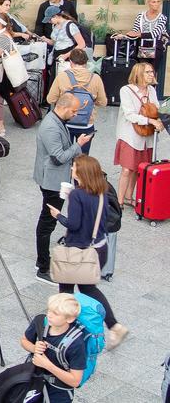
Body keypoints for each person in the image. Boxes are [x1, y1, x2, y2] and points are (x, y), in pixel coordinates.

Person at [47, 155, 129, 349]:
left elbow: (74, 224)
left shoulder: (77, 194)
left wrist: (58, 215)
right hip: (98, 248)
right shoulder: (102, 191)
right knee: (88, 288)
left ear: (81, 172)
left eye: (74, 167)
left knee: (66, 290)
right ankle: (114, 325)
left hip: (78, 251)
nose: (72, 170)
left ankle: (63, 330)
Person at [35, 93, 91, 285]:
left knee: (47, 221)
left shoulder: (56, 118)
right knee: (47, 222)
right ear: (64, 108)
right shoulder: (51, 126)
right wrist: (78, 146)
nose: (75, 114)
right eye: (74, 111)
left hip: (55, 178)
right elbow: (58, 157)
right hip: (52, 180)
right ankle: (43, 266)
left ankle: (41, 261)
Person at [20, 294, 90, 403]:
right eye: (49, 310)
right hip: (33, 380)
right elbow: (24, 340)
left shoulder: (76, 344)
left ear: (70, 318)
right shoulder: (40, 322)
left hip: (58, 392)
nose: (49, 315)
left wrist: (47, 365)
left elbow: (75, 381)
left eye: (55, 313)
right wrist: (34, 348)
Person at [115, 62, 164, 206]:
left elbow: (156, 108)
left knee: (138, 168)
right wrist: (151, 120)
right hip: (130, 135)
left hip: (146, 136)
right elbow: (129, 114)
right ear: (139, 74)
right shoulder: (126, 90)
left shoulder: (152, 90)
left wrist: (159, 120)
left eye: (152, 72)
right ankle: (119, 200)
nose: (151, 75)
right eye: (148, 72)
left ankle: (129, 197)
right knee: (126, 169)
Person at [46, 49, 107, 155]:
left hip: (65, 124)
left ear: (70, 62)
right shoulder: (95, 78)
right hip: (87, 124)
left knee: (64, 156)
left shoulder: (62, 76)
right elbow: (103, 102)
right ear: (87, 63)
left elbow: (50, 99)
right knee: (82, 159)